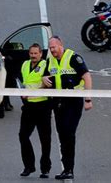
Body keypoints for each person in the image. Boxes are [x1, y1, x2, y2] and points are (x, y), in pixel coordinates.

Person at [42, 36, 92, 180]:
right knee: (62, 134)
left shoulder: (73, 58)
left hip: (73, 101)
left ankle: (69, 168)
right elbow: (45, 76)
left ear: (61, 45)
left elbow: (87, 77)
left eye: (54, 48)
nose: (52, 51)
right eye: (50, 48)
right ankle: (66, 168)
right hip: (58, 102)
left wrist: (88, 99)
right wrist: (43, 79)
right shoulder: (50, 60)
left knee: (69, 134)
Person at [18, 43, 52, 178]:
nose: (33, 56)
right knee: (23, 136)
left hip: (43, 106)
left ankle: (45, 168)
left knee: (45, 139)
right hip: (28, 106)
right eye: (31, 53)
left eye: (35, 53)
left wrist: (36, 91)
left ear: (40, 54)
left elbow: (49, 84)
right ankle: (28, 166)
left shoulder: (46, 65)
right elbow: (24, 82)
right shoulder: (25, 64)